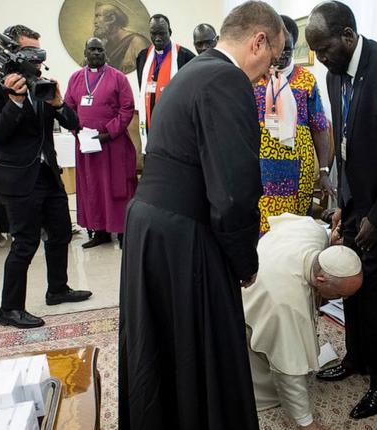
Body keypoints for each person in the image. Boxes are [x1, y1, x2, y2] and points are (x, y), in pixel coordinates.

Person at [118, 2, 285, 428]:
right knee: (202, 351)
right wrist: (244, 262)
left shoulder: (192, 72)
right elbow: (233, 192)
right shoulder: (227, 80)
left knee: (161, 351)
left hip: (150, 225)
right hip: (183, 236)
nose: (268, 75)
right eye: (270, 62)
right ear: (258, 41)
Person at [305, 1, 377, 419]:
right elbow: (345, 147)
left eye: (323, 50)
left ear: (348, 36)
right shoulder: (335, 76)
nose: (319, 59)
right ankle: (355, 358)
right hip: (358, 206)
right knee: (349, 288)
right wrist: (344, 204)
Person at [0, 25, 92, 329]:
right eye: (30, 53)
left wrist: (58, 103)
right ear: (12, 51)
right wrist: (14, 101)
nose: (37, 60)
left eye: (39, 54)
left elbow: (73, 122)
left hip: (45, 172)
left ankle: (57, 289)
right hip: (16, 177)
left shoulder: (39, 81)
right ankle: (9, 309)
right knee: (25, 243)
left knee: (61, 231)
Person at [243, 213, 363, 430]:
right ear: (321, 280)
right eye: (339, 295)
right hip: (245, 319)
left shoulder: (314, 232)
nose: (343, 301)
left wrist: (330, 239)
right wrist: (306, 423)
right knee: (278, 366)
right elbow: (288, 372)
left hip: (263, 276)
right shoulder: (287, 305)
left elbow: (316, 231)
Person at [254, 15, 334, 235]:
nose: (280, 56)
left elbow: (319, 126)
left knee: (294, 233)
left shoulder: (306, 80)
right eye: (277, 49)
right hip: (261, 168)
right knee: (263, 230)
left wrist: (325, 171)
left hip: (298, 169)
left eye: (287, 50)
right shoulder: (254, 77)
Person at [65, 37, 136, 249]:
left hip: (113, 145)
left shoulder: (118, 78)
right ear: (85, 53)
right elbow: (69, 109)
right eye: (92, 50)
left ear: (106, 53)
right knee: (93, 187)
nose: (96, 53)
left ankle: (124, 232)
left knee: (117, 187)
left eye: (100, 50)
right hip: (87, 147)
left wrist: (108, 134)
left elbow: (127, 109)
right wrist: (77, 130)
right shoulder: (76, 78)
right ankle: (100, 231)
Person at [135, 14, 195, 151]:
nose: (157, 38)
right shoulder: (143, 57)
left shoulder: (186, 57)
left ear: (170, 32)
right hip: (149, 125)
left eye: (162, 33)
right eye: (153, 34)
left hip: (175, 127)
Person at [93, 0, 149, 74]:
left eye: (98, 16)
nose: (94, 22)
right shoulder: (104, 45)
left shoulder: (137, 43)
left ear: (112, 18)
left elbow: (147, 72)